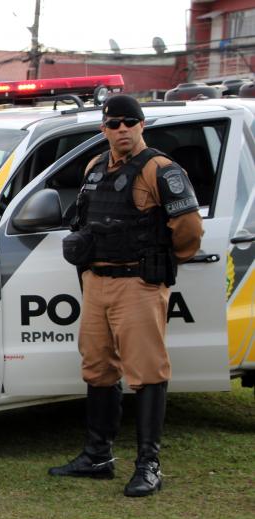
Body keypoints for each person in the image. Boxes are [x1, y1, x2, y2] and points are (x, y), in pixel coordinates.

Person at [50, 95, 204, 497]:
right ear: (103, 128)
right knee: (98, 367)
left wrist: (162, 264)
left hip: (138, 283)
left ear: (142, 125)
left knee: (147, 372)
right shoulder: (94, 167)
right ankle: (97, 456)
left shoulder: (161, 170)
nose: (121, 129)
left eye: (129, 122)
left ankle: (149, 465)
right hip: (97, 282)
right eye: (113, 123)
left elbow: (188, 229)